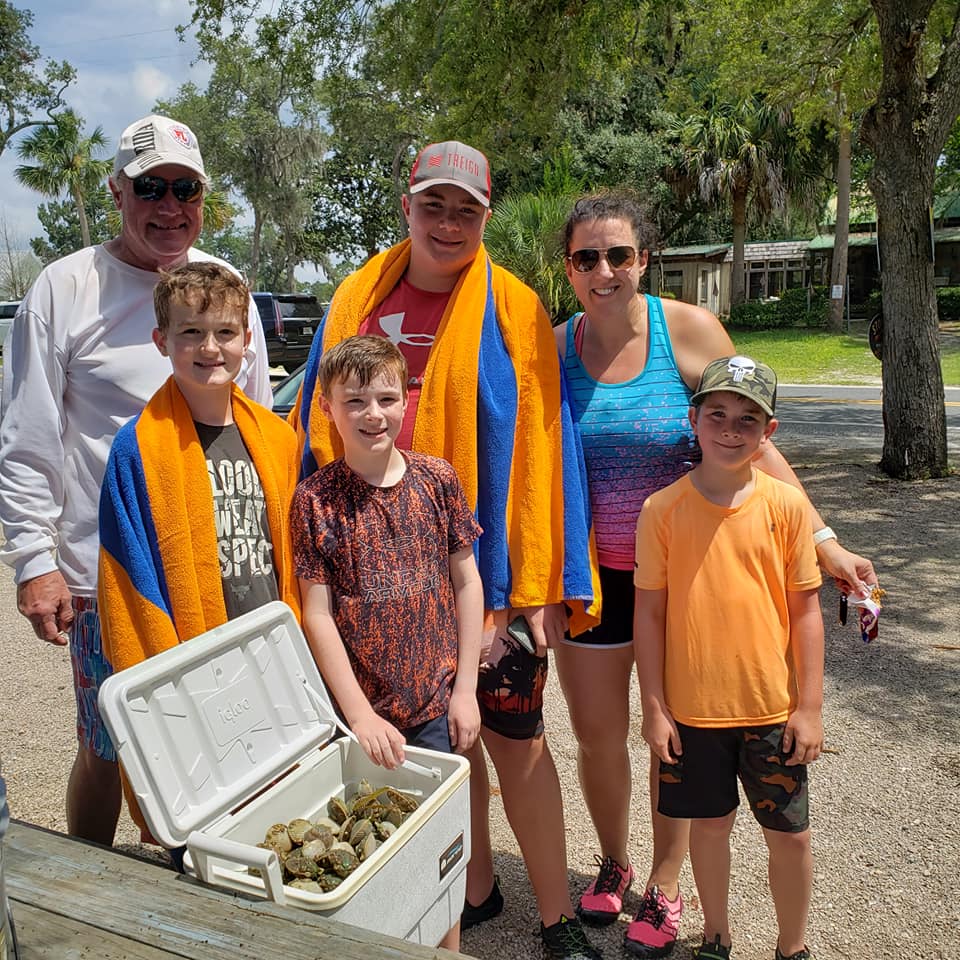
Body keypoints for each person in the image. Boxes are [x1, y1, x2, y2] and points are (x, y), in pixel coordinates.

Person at [291, 142, 603, 960]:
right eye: (435, 204)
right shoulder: (356, 296)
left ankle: (555, 913)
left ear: (487, 216)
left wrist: (535, 582)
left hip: (482, 579)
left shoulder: (512, 305)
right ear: (407, 206)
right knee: (435, 747)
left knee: (516, 741)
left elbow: (544, 444)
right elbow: (303, 422)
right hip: (375, 582)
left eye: (467, 209)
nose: (449, 223)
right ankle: (471, 886)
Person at [551, 190, 877, 957]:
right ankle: (614, 858)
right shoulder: (553, 345)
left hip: (688, 576)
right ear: (568, 269)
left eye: (619, 254)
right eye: (586, 258)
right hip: (593, 581)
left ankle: (665, 885)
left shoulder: (686, 329)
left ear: (644, 258)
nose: (605, 270)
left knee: (672, 741)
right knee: (600, 738)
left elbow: (751, 436)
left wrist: (823, 537)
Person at [0, 114, 273, 846]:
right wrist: (34, 562)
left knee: (218, 738)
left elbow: (259, 429)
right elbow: (27, 439)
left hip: (218, 568)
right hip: (105, 572)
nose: (168, 205)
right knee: (106, 744)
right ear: (116, 190)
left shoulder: (225, 286)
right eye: (149, 186)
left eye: (185, 189)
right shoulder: (65, 287)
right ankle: (85, 893)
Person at [291, 335, 482, 951]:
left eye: (385, 398)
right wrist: (359, 714)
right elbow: (317, 615)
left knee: (443, 848)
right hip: (364, 714)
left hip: (436, 704)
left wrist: (466, 691)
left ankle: (448, 943)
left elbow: (466, 580)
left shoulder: (438, 480)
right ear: (326, 407)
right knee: (377, 845)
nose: (372, 413)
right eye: (355, 401)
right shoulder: (314, 500)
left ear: (407, 401)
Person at [97, 261, 300, 840]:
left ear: (247, 340)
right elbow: (126, 584)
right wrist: (163, 691)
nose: (210, 347)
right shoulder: (137, 450)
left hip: (270, 647)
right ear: (161, 341)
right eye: (191, 333)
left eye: (225, 333)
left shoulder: (279, 439)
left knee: (279, 801)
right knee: (209, 814)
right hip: (192, 656)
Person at [634, 355, 823, 960]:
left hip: (770, 710)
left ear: (769, 432)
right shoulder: (661, 510)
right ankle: (715, 932)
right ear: (693, 420)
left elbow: (806, 614)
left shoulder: (787, 507)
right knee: (709, 831)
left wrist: (809, 707)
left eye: (748, 419)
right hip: (692, 715)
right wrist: (655, 709)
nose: (730, 430)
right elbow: (650, 616)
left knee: (789, 837)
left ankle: (792, 946)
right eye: (717, 414)